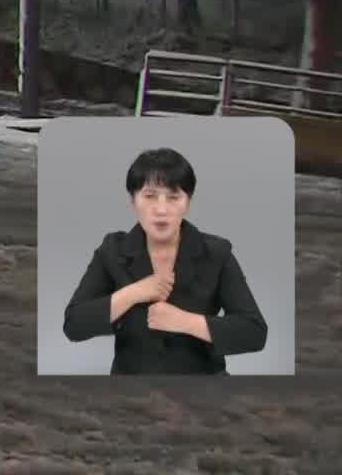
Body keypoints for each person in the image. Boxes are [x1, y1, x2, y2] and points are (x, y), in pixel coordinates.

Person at [61, 147, 268, 374]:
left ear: (187, 202)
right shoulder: (112, 251)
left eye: (173, 197)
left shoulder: (216, 253)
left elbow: (254, 332)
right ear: (133, 200)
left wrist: (185, 322)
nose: (161, 210)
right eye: (149, 196)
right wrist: (135, 292)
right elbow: (74, 325)